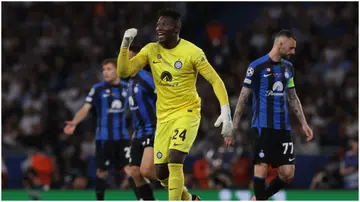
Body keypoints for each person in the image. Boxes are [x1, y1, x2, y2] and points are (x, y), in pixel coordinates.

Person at [117, 8, 233, 201]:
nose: (159, 28)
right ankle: (188, 198)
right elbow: (124, 71)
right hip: (164, 118)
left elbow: (215, 80)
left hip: (187, 112)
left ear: (176, 27)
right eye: (158, 24)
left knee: (175, 159)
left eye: (165, 25)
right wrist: (125, 45)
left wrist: (225, 110)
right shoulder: (150, 50)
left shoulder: (192, 52)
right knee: (160, 172)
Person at [228, 29, 313, 200]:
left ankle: (258, 198)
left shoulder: (288, 67)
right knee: (261, 167)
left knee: (288, 174)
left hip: (283, 127)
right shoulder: (256, 66)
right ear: (280, 44)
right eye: (291, 48)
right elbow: (243, 98)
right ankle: (259, 199)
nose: (293, 52)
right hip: (262, 125)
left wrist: (304, 123)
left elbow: (292, 96)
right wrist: (234, 127)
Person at [64, 58, 131, 200]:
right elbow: (85, 108)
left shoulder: (127, 88)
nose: (105, 72)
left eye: (109, 69)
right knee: (102, 171)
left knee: (131, 170)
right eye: (103, 69)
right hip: (103, 137)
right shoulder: (98, 88)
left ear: (117, 70)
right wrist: (74, 122)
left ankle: (142, 198)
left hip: (123, 137)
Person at [127, 45, 157, 200]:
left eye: (132, 58)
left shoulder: (146, 78)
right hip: (138, 132)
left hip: (152, 130)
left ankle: (181, 185)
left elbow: (163, 98)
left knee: (146, 171)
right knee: (134, 172)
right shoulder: (130, 82)